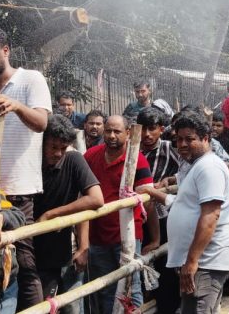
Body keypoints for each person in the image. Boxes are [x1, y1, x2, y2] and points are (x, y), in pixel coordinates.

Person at [0, 25, 52, 309]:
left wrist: (15, 106)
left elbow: (41, 123)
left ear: (5, 51)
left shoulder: (31, 80)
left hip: (19, 192)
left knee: (24, 262)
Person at [142, 112, 229, 314]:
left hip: (205, 262)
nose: (182, 144)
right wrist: (153, 193)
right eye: (179, 139)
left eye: (190, 139)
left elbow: (210, 216)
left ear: (206, 139)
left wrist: (192, 261)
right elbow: (184, 206)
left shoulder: (209, 168)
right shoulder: (196, 167)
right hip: (202, 261)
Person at [84, 115, 159, 313]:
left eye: (117, 131)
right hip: (97, 235)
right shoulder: (91, 155)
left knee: (131, 286)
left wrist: (155, 237)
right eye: (108, 130)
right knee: (105, 287)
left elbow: (148, 202)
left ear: (128, 133)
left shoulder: (137, 160)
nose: (111, 135)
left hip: (128, 235)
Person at [34, 115, 104, 313]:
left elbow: (95, 199)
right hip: (33, 254)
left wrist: (83, 246)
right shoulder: (29, 163)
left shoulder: (73, 160)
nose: (58, 153)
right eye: (53, 147)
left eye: (63, 148)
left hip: (64, 252)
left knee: (72, 307)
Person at [137, 106, 183, 314]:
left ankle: (167, 307)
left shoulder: (168, 148)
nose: (147, 134)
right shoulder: (132, 149)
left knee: (165, 265)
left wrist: (171, 179)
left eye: (152, 129)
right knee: (140, 264)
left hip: (163, 217)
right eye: (143, 128)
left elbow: (187, 168)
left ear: (161, 129)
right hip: (138, 217)